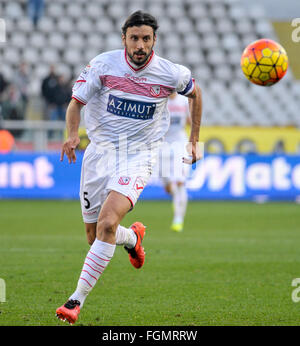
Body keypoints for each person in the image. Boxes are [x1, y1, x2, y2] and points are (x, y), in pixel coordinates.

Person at [56, 10, 203, 325]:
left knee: (107, 224)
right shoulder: (103, 65)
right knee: (95, 234)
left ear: (154, 40)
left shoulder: (170, 73)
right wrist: (71, 135)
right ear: (123, 38)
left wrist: (194, 140)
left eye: (146, 39)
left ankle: (75, 301)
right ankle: (133, 240)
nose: (140, 45)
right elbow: (75, 103)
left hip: (140, 154)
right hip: (99, 154)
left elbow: (196, 93)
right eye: (134, 38)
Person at [160, 92, 191, 233]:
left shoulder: (184, 100)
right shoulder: (161, 100)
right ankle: (174, 195)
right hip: (162, 144)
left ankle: (178, 219)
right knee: (167, 185)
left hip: (180, 144)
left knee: (179, 182)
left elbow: (191, 120)